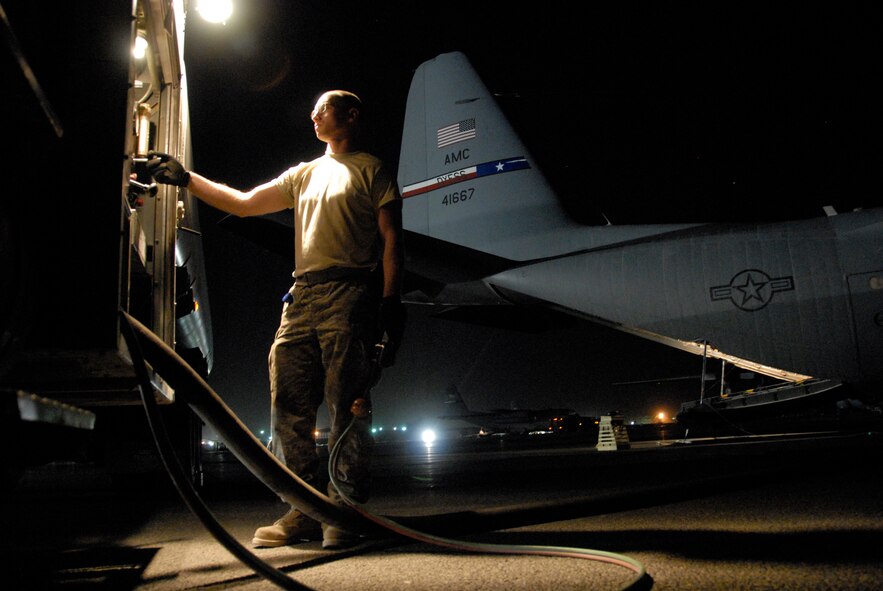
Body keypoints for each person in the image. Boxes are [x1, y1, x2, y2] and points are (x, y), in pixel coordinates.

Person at [147, 90, 405, 550]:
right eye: (312, 110)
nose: (313, 115)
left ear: (350, 114)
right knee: (287, 402)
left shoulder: (372, 170)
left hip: (350, 293)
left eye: (322, 108)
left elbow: (391, 239)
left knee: (347, 401)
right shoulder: (303, 174)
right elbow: (243, 203)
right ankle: (304, 509)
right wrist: (185, 178)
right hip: (302, 295)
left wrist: (390, 301)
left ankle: (343, 508)